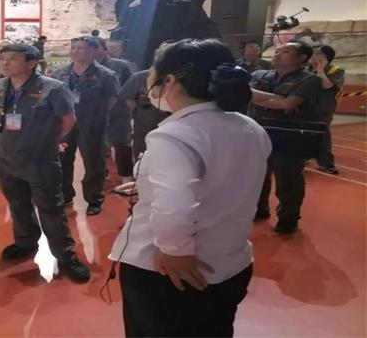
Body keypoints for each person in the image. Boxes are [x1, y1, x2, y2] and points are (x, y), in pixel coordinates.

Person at [109, 38, 271, 338]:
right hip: (229, 261)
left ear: (169, 81)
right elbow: (227, 181)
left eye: (153, 72)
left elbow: (175, 206)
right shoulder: (249, 127)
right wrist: (148, 185)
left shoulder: (175, 135)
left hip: (173, 273)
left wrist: (175, 251)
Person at [0, 43, 91, 283]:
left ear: (31, 63)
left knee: (51, 208)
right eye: (2, 58)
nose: (4, 62)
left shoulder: (53, 88)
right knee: (17, 203)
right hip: (4, 158)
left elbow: (68, 119)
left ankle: (65, 255)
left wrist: (49, 141)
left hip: (39, 159)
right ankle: (26, 241)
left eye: (12, 58)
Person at [250, 42, 322, 234]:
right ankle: (259, 210)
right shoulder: (260, 75)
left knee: (288, 181)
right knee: (257, 178)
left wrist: (250, 94)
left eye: (286, 51)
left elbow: (287, 104)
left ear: (302, 58)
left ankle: (288, 218)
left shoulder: (310, 80)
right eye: (277, 51)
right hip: (259, 134)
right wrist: (275, 99)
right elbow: (277, 101)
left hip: (289, 138)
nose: (278, 54)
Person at [50, 36, 119, 215]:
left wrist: (95, 114)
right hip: (66, 124)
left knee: (93, 162)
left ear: (93, 51)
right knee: (62, 160)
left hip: (92, 124)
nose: (76, 51)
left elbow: (111, 100)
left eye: (82, 48)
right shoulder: (60, 73)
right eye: (74, 48)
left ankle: (94, 199)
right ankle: (65, 196)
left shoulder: (105, 75)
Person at [94, 37, 135, 184]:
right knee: (95, 145)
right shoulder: (84, 67)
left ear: (103, 48)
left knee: (121, 143)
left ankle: (126, 177)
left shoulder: (121, 65)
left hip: (118, 112)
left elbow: (132, 86)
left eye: (95, 47)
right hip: (94, 113)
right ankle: (101, 174)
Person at [119, 69, 170, 162]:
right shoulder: (139, 78)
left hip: (169, 129)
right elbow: (128, 99)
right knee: (141, 159)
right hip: (143, 129)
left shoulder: (178, 79)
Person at [310, 45, 345, 175]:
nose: (313, 57)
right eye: (313, 54)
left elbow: (327, 86)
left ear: (326, 58)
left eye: (317, 54)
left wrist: (320, 71)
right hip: (306, 105)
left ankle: (326, 163)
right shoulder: (306, 69)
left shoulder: (336, 70)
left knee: (322, 134)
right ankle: (302, 157)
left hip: (323, 107)